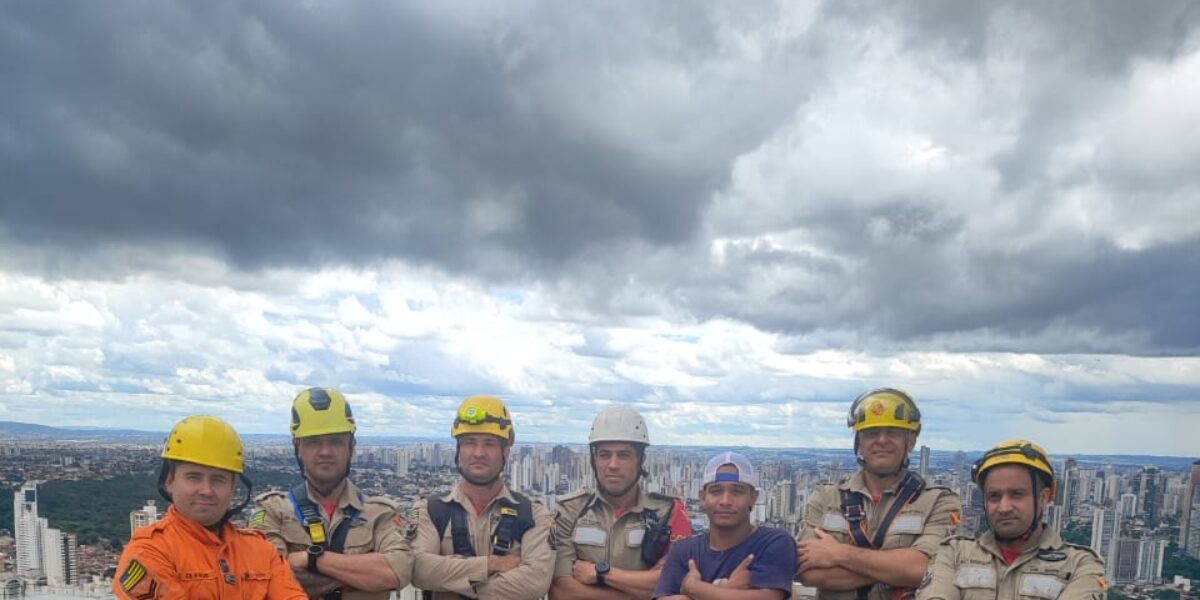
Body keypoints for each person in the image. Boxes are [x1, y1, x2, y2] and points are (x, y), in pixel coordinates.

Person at [113, 415, 308, 600]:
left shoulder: (261, 550)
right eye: (194, 477)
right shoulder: (149, 552)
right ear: (170, 481)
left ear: (233, 489)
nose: (206, 490)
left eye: (218, 480)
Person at [797, 388, 962, 600]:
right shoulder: (826, 497)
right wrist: (897, 570)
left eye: (893, 432)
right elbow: (809, 572)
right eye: (871, 433)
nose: (882, 440)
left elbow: (925, 569)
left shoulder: (939, 502)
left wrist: (838, 554)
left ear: (910, 441)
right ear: (859, 443)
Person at [252, 387, 413, 599]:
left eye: (335, 441)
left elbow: (397, 571)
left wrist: (311, 560)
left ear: (351, 447)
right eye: (313, 442)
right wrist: (361, 579)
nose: (325, 451)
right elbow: (267, 577)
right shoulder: (273, 510)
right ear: (297, 447)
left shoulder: (380, 513)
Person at [916, 440, 1107, 600]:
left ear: (1044, 497)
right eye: (994, 496)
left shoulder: (1080, 565)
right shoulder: (954, 553)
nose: (1004, 507)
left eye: (1017, 494)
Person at [411, 395, 554, 600]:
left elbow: (534, 582)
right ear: (458, 450)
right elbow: (418, 569)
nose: (479, 453)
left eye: (489, 444)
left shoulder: (533, 515)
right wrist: (491, 564)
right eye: (470, 442)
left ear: (505, 452)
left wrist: (451, 583)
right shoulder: (431, 510)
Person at [550, 405, 693, 600]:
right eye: (604, 455)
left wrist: (603, 573)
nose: (613, 465)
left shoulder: (669, 512)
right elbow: (562, 591)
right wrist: (645, 588)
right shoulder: (570, 510)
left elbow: (678, 583)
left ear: (640, 460)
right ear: (594, 460)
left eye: (624, 455)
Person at [654, 451, 796, 600]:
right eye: (716, 491)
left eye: (737, 491)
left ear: (753, 498)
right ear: (703, 498)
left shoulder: (774, 542)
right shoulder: (684, 550)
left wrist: (695, 588)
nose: (725, 501)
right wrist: (725, 591)